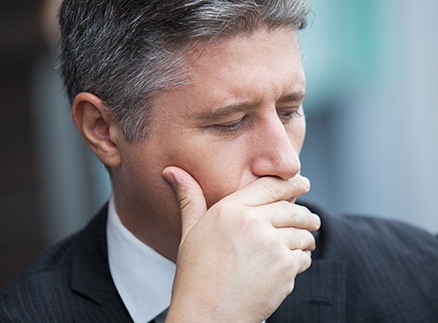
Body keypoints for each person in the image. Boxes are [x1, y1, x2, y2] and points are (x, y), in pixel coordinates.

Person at [1, 0, 437, 322]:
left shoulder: (417, 276)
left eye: (289, 110)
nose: (286, 163)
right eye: (230, 123)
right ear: (102, 129)